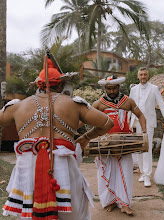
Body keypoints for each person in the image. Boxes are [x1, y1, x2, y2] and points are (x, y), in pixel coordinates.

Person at [2, 57, 114, 220]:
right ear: (61, 84)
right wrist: (85, 138)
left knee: (30, 211)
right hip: (62, 166)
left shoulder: (18, 106)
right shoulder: (74, 104)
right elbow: (107, 123)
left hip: (28, 168)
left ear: (38, 84)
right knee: (72, 213)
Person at [91, 76, 146, 215]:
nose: (112, 90)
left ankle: (125, 204)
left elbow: (141, 116)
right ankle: (108, 202)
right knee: (106, 173)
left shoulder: (128, 101)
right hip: (105, 143)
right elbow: (87, 118)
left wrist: (144, 133)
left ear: (119, 87)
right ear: (105, 88)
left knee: (126, 173)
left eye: (114, 88)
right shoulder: (98, 104)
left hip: (124, 142)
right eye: (109, 88)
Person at [129, 67, 164, 187]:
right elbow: (129, 106)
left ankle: (147, 175)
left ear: (148, 75)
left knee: (146, 148)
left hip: (148, 122)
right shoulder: (134, 89)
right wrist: (127, 121)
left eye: (145, 74)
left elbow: (162, 105)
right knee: (138, 148)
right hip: (135, 121)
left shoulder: (154, 88)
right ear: (138, 76)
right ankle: (142, 172)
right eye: (141, 74)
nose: (143, 76)